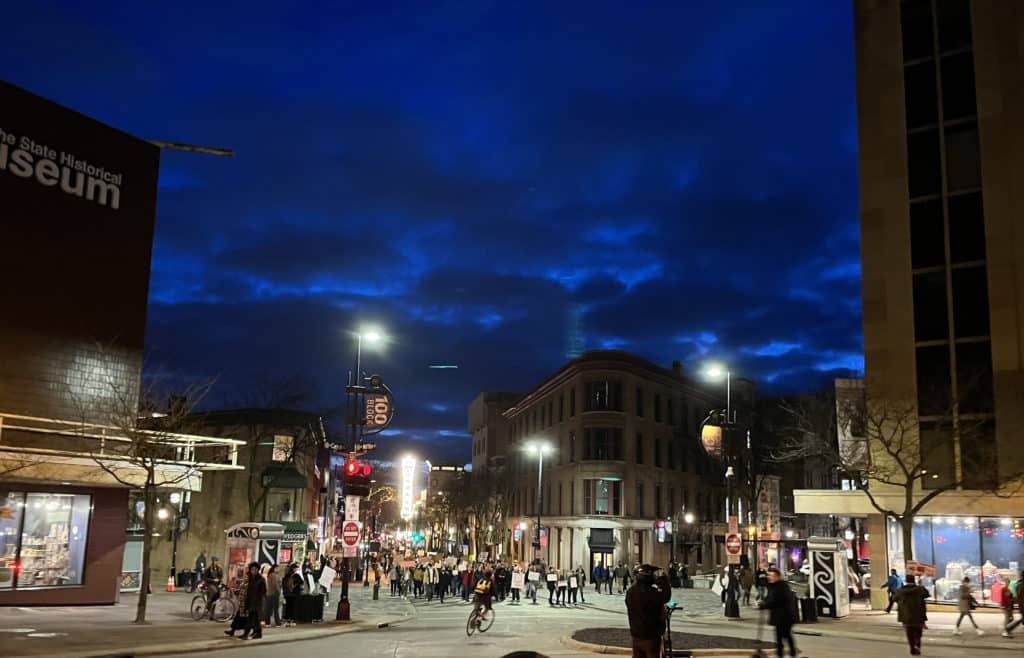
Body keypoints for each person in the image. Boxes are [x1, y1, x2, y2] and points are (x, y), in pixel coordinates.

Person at [624, 564, 671, 658]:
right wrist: (662, 580)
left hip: (636, 636)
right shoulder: (652, 592)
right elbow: (665, 596)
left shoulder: (630, 592)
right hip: (651, 637)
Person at [759, 568, 797, 658]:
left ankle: (788, 653)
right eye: (769, 575)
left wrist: (765, 605)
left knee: (784, 635)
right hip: (778, 616)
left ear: (778, 577)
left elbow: (776, 601)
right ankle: (788, 653)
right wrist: (763, 602)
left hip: (785, 616)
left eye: (772, 576)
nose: (769, 577)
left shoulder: (782, 587)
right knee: (782, 636)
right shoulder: (772, 586)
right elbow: (769, 598)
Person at [894, 574, 929, 655]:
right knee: (918, 633)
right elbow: (927, 594)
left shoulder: (900, 591)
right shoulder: (920, 589)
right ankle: (917, 645)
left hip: (906, 616)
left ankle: (912, 649)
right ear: (914, 580)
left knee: (909, 633)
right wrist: (921, 586)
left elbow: (894, 599)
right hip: (919, 616)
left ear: (906, 581)